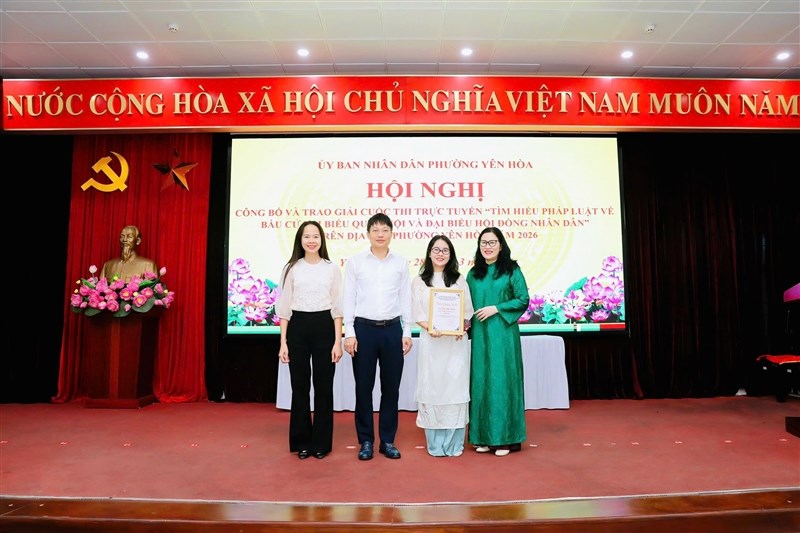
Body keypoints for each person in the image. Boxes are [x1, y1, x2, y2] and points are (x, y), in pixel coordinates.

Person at [343, 213, 412, 461]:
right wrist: (349, 332)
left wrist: (407, 331)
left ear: (391, 233)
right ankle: (366, 441)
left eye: (385, 230)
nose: (380, 234)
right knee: (363, 388)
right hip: (363, 330)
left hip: (392, 330)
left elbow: (405, 298)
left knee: (391, 388)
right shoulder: (355, 262)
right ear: (368, 233)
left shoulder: (401, 262)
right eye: (375, 230)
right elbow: (348, 297)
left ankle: (387, 440)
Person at [274, 221, 343, 460]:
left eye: (315, 236)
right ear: (300, 240)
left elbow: (337, 308)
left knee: (324, 387)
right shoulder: (291, 268)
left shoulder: (331, 268)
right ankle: (302, 441)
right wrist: (283, 342)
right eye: (307, 236)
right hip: (298, 328)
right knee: (300, 387)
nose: (311, 240)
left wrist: (337, 341)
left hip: (325, 326)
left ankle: (321, 443)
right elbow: (284, 309)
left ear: (322, 239)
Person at [466, 227, 530, 457]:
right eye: (483, 242)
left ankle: (505, 439)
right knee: (481, 382)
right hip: (480, 337)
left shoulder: (511, 270)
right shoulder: (473, 273)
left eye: (492, 242)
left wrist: (497, 308)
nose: (488, 246)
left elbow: (523, 299)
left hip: (503, 336)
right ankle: (483, 437)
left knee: (502, 382)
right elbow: (465, 303)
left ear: (501, 245)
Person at [411, 235, 474, 457]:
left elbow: (467, 311)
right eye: (436, 249)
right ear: (429, 253)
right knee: (433, 387)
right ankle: (435, 445)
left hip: (455, 345)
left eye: (445, 250)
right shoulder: (419, 281)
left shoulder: (459, 280)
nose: (440, 254)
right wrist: (430, 327)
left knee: (454, 388)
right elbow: (416, 312)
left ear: (451, 255)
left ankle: (454, 444)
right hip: (431, 343)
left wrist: (463, 326)